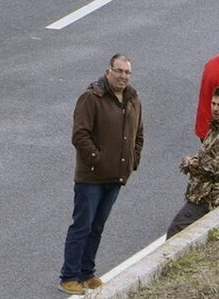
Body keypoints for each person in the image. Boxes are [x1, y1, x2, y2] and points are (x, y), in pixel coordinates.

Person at [60, 55, 144, 295]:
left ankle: (87, 273)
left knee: (97, 227)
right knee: (82, 226)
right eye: (119, 71)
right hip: (91, 177)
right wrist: (96, 160)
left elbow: (138, 134)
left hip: (116, 177)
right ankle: (69, 276)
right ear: (108, 71)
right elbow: (80, 135)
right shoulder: (91, 97)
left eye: (127, 72)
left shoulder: (133, 99)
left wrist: (132, 160)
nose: (123, 76)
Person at [168, 87, 219, 238]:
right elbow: (208, 154)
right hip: (206, 191)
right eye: (213, 104)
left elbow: (218, 167)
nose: (215, 109)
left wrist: (190, 163)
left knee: (176, 232)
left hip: (214, 195)